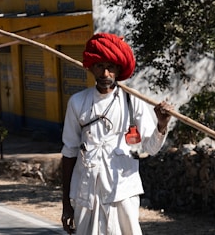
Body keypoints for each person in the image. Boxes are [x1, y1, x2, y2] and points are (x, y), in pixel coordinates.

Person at [60, 33, 173, 235]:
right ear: (91, 67)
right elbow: (69, 152)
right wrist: (66, 205)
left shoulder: (132, 101)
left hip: (123, 192)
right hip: (86, 194)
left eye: (110, 67)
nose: (105, 73)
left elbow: (151, 147)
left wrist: (162, 125)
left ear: (118, 69)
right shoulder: (77, 102)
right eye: (100, 66)